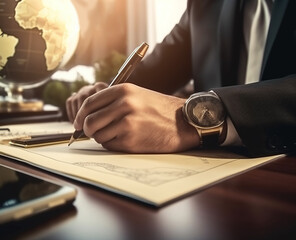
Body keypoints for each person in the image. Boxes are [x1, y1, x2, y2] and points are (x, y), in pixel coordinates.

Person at [66, 0, 296, 157]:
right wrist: (107, 95)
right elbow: (156, 71)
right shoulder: (205, 4)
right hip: (211, 186)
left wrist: (191, 119)